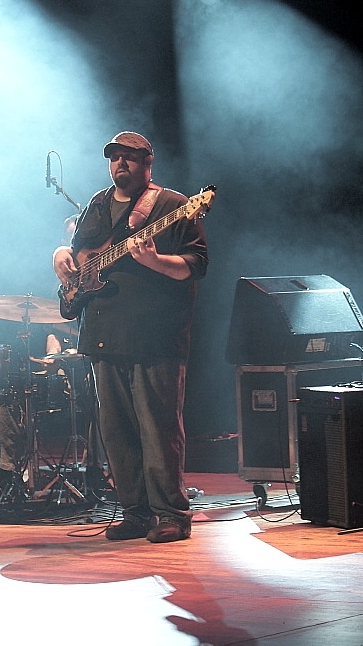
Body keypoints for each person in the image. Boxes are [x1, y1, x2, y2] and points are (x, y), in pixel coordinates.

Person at [52, 131, 209, 543]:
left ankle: (172, 515)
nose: (120, 163)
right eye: (114, 157)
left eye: (130, 157)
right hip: (102, 334)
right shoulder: (98, 203)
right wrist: (60, 255)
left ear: (148, 162)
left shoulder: (174, 205)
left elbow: (195, 264)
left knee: (159, 431)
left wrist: (155, 261)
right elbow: (80, 252)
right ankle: (136, 513)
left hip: (154, 336)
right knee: (117, 434)